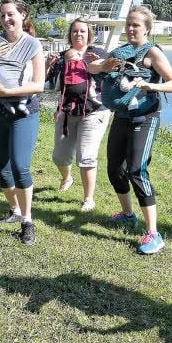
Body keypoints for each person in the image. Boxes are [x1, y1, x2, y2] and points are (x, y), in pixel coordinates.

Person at [88, 6, 172, 254]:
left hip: (145, 117)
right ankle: (128, 214)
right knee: (114, 168)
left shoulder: (152, 53)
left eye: (136, 25)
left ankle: (153, 233)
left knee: (136, 170)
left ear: (147, 28)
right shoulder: (119, 51)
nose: (130, 28)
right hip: (121, 115)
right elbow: (92, 69)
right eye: (128, 24)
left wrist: (150, 85)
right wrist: (104, 65)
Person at [0, 0, 45, 245]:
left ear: (23, 15)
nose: (6, 20)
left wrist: (6, 93)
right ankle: (14, 211)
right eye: (2, 15)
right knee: (1, 168)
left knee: (20, 166)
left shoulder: (33, 44)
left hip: (23, 113)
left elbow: (38, 85)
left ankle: (27, 221)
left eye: (11, 14)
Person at [45, 18, 111, 212]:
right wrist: (49, 65)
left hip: (94, 111)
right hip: (67, 112)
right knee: (60, 156)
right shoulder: (61, 56)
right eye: (75, 31)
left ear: (89, 34)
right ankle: (67, 177)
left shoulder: (98, 54)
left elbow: (109, 75)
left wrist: (98, 65)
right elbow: (50, 83)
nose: (78, 34)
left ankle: (88, 199)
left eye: (82, 31)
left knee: (87, 156)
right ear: (70, 35)